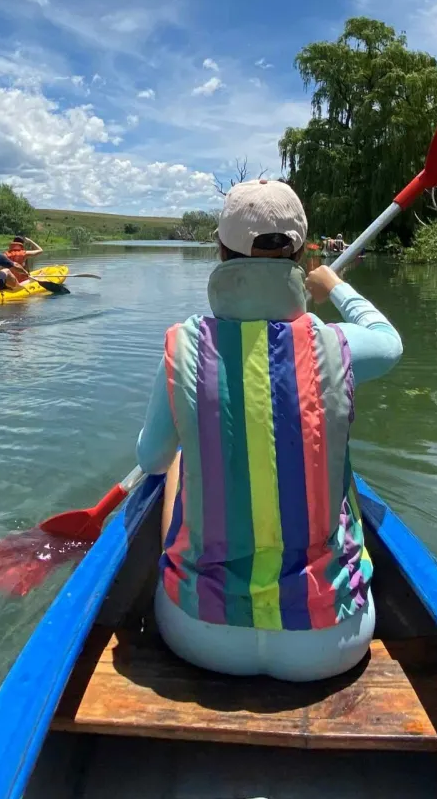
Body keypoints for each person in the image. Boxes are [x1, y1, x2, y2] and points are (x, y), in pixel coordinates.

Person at [134, 179, 403, 683]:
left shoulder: (183, 345)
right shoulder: (337, 345)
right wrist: (334, 286)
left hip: (200, 634)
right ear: (300, 254)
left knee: (178, 458)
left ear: (221, 251)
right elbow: (389, 343)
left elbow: (150, 460)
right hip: (329, 642)